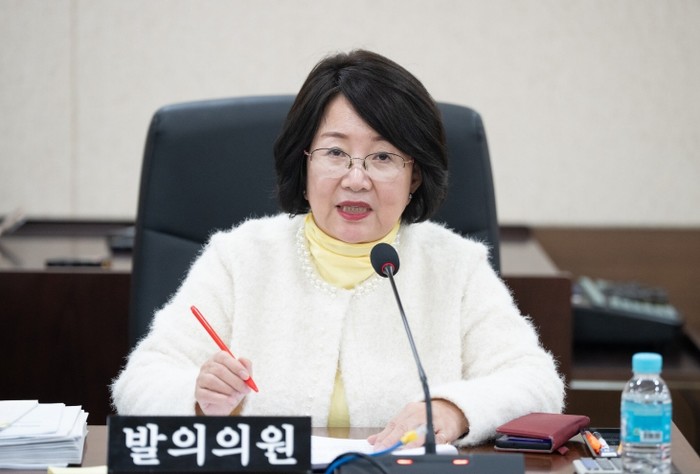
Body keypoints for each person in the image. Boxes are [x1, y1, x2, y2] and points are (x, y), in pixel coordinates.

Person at [111, 49, 564, 449]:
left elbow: (537, 382)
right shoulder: (238, 258)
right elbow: (139, 381)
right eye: (335, 153)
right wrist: (197, 394)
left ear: (415, 176)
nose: (356, 179)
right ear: (304, 163)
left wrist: (454, 410)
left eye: (383, 157)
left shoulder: (455, 267)